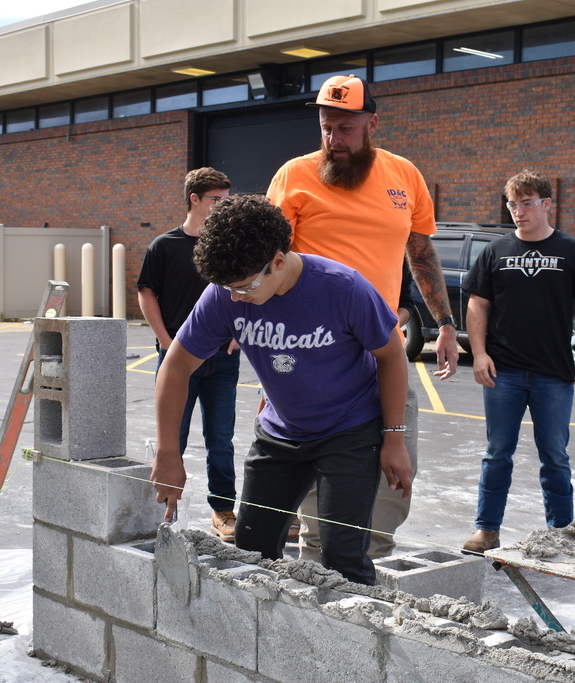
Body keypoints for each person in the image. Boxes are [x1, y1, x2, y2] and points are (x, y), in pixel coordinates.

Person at [150, 194, 412, 585]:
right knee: (249, 549)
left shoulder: (342, 288)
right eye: (228, 288)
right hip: (281, 434)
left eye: (244, 286)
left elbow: (391, 357)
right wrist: (169, 453)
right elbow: (175, 368)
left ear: (277, 260)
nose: (236, 297)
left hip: (350, 432)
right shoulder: (225, 293)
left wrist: (394, 438)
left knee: (343, 555)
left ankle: (349, 641)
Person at [266, 74, 456, 560]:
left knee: (395, 469)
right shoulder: (294, 175)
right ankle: (317, 560)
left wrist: (446, 325)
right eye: (326, 127)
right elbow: (268, 259)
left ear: (372, 123)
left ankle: (372, 560)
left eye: (346, 128)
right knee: (316, 481)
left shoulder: (405, 176)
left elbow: (420, 251)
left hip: (381, 352)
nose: (334, 139)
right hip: (310, 356)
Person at [460, 170, 575, 554]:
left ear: (546, 204)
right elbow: (478, 304)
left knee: (555, 457)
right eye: (512, 204)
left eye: (527, 203)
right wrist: (478, 353)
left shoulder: (572, 251)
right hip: (503, 372)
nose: (519, 212)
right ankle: (486, 529)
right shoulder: (495, 251)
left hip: (553, 374)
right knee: (497, 454)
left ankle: (561, 534)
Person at [136, 167, 240, 542]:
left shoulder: (227, 248)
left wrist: (237, 335)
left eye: (226, 200)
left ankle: (223, 511)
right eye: (217, 200)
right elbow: (147, 293)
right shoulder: (164, 246)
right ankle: (165, 507)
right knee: (172, 439)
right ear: (195, 199)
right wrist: (165, 339)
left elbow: (242, 290)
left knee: (221, 439)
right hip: (178, 360)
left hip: (223, 360)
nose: (222, 206)